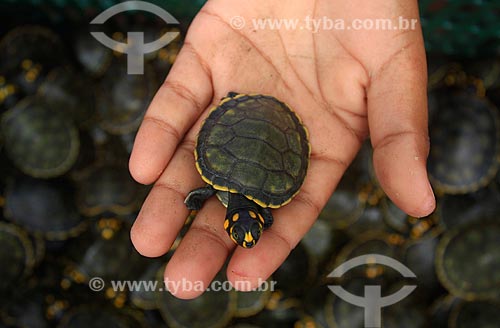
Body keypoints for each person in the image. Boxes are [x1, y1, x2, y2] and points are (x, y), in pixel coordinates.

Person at [128, 0, 435, 299]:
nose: (248, 240)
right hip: (272, 129)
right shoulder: (235, 189)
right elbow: (213, 195)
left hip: (251, 120)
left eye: (243, 233)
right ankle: (234, 103)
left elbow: (207, 194)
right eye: (253, 233)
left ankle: (233, 103)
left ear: (233, 221)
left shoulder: (252, 197)